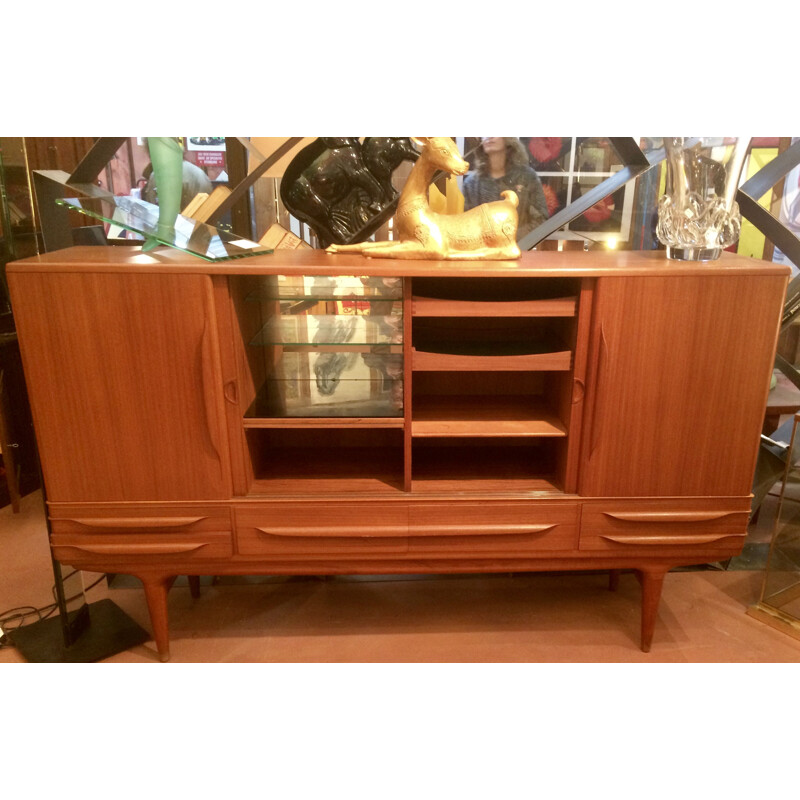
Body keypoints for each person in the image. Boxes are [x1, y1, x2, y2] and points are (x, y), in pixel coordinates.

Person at [463, 137, 549, 239]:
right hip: (483, 250)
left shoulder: (527, 177)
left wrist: (509, 237)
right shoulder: (471, 184)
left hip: (519, 248)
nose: (489, 136)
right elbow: (466, 224)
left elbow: (541, 219)